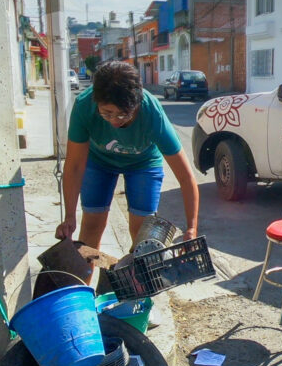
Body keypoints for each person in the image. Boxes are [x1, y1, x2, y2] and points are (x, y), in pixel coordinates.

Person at [55, 61, 199, 257]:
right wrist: (69, 216)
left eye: (123, 115)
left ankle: (137, 284)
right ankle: (84, 287)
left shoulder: (152, 114)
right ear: (96, 102)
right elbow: (74, 166)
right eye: (106, 113)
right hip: (99, 162)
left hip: (143, 163)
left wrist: (191, 227)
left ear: (137, 103)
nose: (114, 121)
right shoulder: (84, 106)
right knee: (91, 226)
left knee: (142, 235)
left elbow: (186, 177)